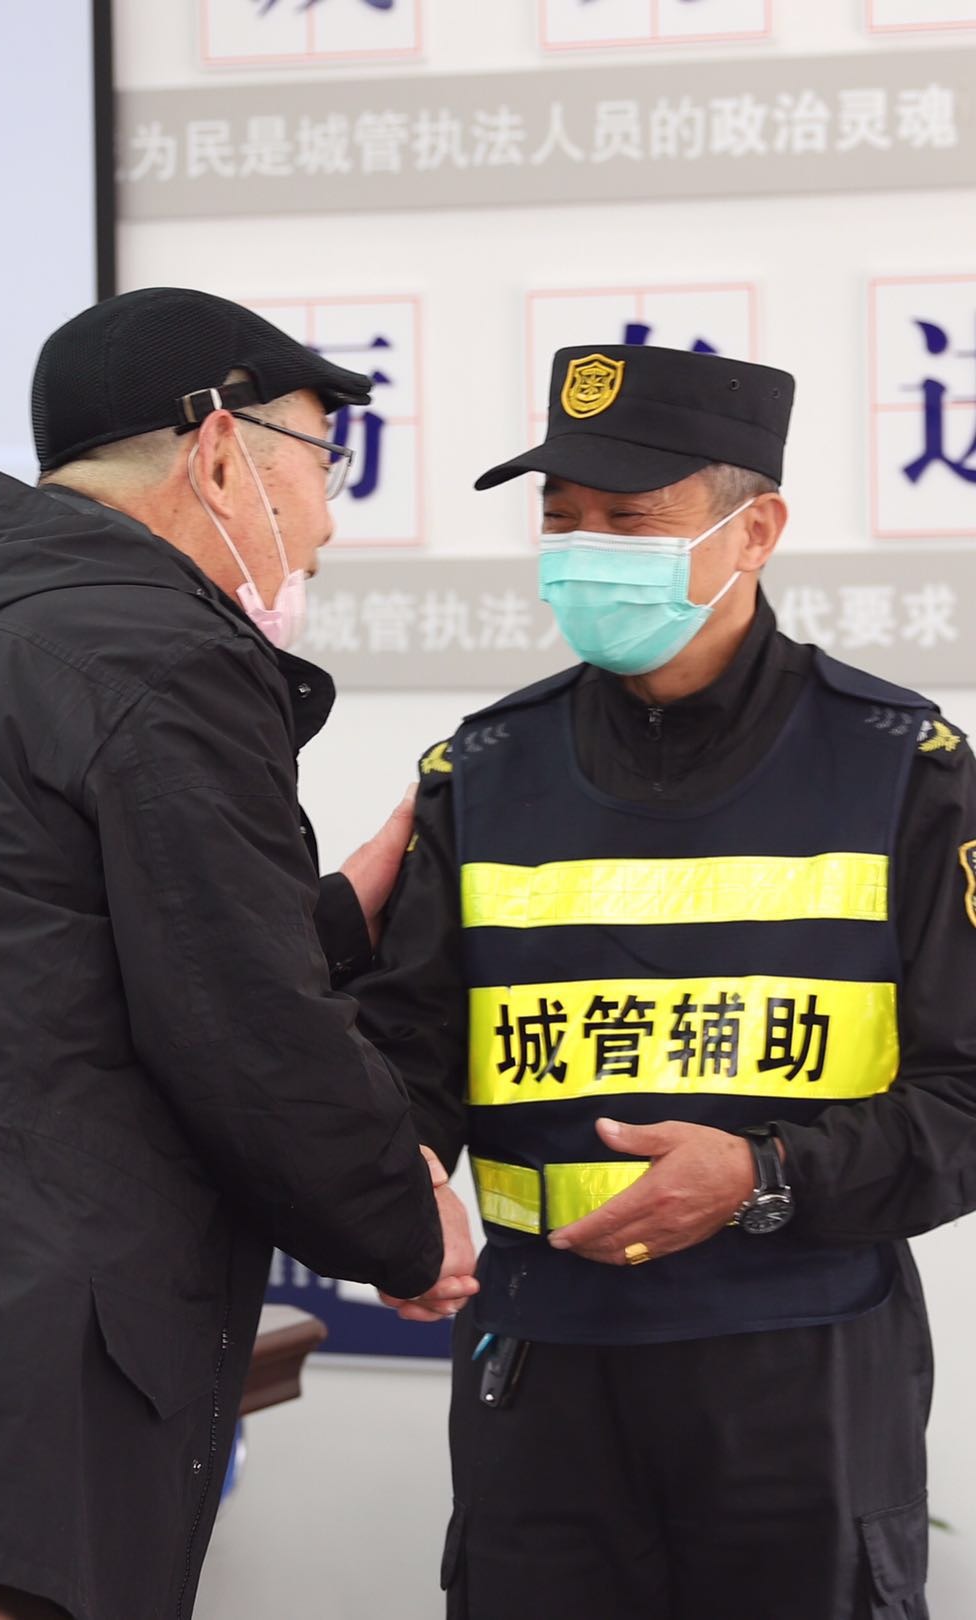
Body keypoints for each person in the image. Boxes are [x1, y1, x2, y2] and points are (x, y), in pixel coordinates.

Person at [359, 342, 976, 1618]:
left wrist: (763, 1176)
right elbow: (406, 1052)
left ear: (757, 531)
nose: (585, 551)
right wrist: (394, 1174)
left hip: (798, 1370)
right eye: (561, 518)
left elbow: (968, 1097)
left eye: (629, 518)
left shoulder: (902, 771)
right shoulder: (483, 772)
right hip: (542, 1367)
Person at [0, 287, 476, 1620]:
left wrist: (327, 919)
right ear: (220, 453)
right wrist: (405, 1224)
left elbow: (23, 941)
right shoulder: (157, 654)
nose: (326, 524)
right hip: (3, 1374)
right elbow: (247, 1038)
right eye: (322, 463)